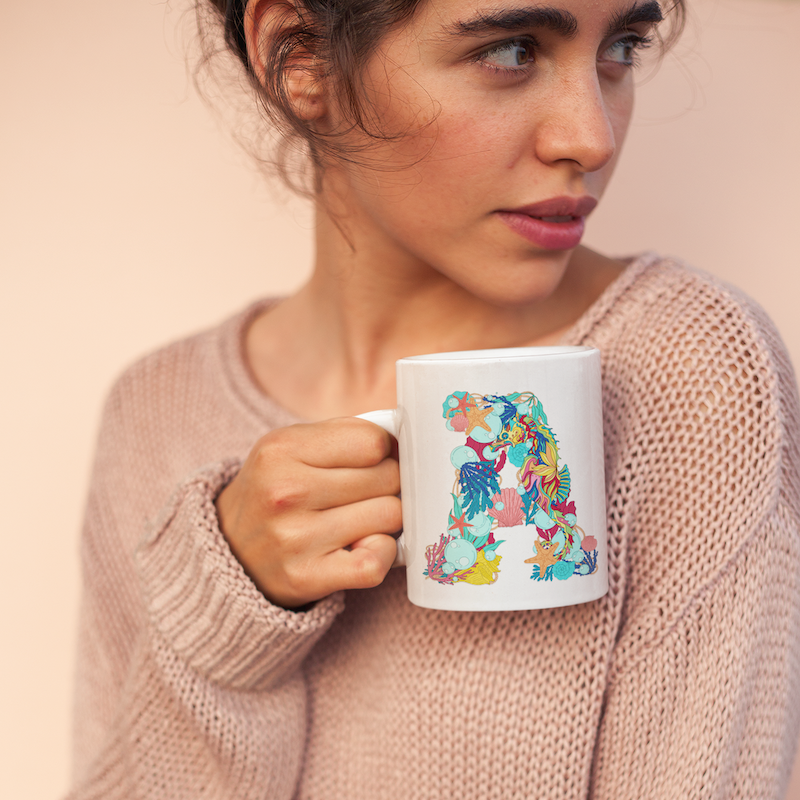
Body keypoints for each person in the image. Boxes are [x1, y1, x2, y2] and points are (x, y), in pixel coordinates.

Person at [66, 1, 800, 798]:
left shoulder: (690, 371)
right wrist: (224, 617)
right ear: (299, 54)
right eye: (512, 50)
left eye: (622, 46)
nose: (592, 138)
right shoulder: (157, 413)